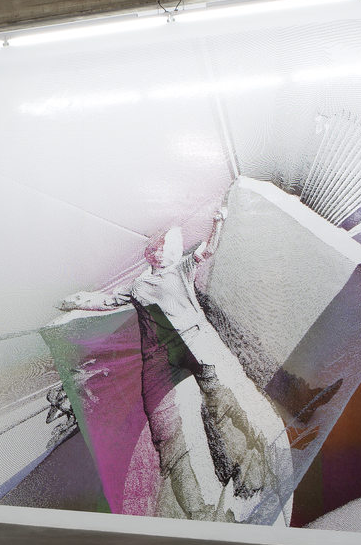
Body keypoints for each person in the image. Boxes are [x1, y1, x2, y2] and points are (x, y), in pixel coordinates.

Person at [59, 206, 281, 521]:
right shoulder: (139, 286)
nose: (163, 253)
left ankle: (249, 470)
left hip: (196, 346)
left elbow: (207, 250)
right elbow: (107, 300)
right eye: (159, 247)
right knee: (177, 434)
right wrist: (78, 300)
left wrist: (218, 223)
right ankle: (203, 508)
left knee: (220, 405)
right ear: (151, 252)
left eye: (169, 247)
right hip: (165, 358)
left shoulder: (181, 269)